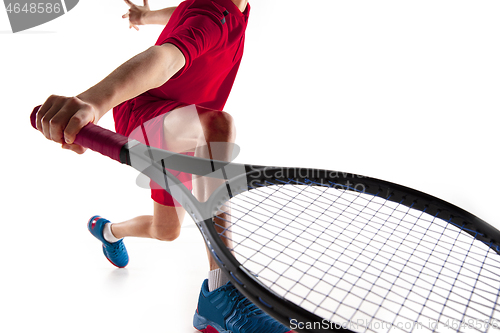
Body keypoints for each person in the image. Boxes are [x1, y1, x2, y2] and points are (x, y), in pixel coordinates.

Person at [34, 0, 292, 332]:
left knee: (167, 230)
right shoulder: (215, 11)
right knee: (218, 127)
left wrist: (146, 16)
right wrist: (93, 102)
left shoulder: (234, 10)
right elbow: (166, 59)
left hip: (181, 130)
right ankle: (223, 289)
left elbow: (182, 15)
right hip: (151, 116)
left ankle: (108, 231)